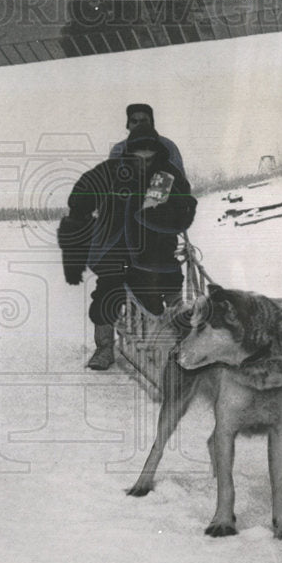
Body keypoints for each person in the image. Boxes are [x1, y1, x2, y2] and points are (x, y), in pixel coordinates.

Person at [60, 125, 197, 370]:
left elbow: (166, 210)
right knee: (105, 296)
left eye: (149, 151)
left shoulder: (163, 176)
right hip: (114, 252)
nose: (143, 156)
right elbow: (84, 194)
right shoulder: (112, 173)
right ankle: (104, 348)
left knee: (156, 291)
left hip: (153, 253)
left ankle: (175, 344)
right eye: (138, 151)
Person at [108, 103, 185, 175]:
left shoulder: (168, 146)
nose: (138, 125)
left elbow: (178, 177)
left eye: (143, 121)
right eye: (134, 121)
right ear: (128, 125)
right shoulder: (118, 150)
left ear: (151, 124)